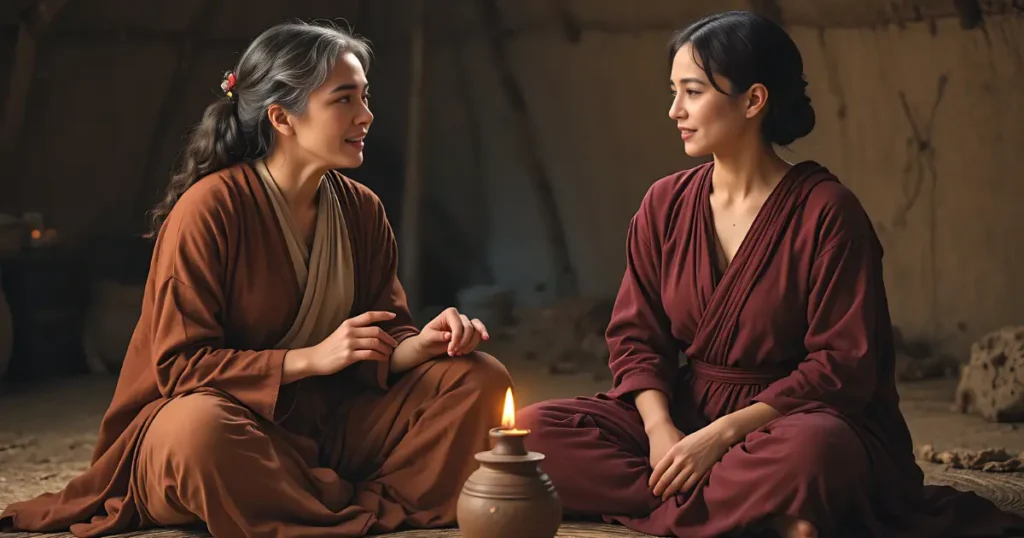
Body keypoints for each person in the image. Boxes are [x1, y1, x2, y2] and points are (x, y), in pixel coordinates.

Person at [517, 11, 1024, 538]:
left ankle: (707, 502)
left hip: (790, 419)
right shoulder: (664, 204)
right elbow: (636, 337)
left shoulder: (828, 211)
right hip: (689, 410)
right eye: (673, 91)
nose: (674, 111)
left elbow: (842, 365)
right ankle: (756, 512)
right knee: (532, 432)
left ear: (754, 100)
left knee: (817, 453)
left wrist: (720, 437)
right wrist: (661, 430)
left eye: (691, 92)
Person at [0, 21, 511, 538]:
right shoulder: (210, 209)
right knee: (198, 433)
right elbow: (179, 367)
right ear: (281, 117)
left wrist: (420, 347)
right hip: (229, 427)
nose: (367, 116)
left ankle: (311, 498)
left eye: (365, 96)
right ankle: (322, 501)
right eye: (344, 100)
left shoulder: (362, 210)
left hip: (328, 424)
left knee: (478, 379)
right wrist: (307, 359)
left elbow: (380, 339)